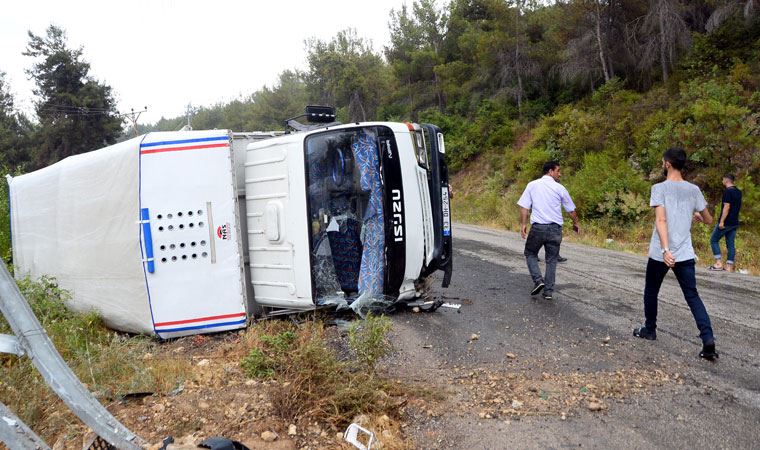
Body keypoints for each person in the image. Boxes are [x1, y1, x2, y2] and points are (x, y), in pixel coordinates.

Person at [633, 147, 718, 361]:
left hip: (661, 252)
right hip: (684, 253)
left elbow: (661, 220)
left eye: (663, 162)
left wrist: (664, 250)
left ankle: (649, 330)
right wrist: (697, 214)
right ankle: (708, 340)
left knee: (651, 291)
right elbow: (709, 220)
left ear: (668, 164)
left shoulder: (659, 188)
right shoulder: (694, 190)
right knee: (692, 296)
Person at [517, 161, 579, 300]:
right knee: (551, 260)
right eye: (558, 171)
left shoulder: (532, 185)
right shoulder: (560, 188)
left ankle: (538, 281)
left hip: (538, 228)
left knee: (530, 253)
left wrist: (523, 224)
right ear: (550, 171)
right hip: (555, 229)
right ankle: (548, 292)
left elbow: (524, 207)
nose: (560, 173)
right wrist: (576, 224)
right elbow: (571, 210)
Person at [708, 174, 742, 273]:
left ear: (727, 180)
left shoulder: (728, 191)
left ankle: (718, 263)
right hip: (734, 222)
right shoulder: (738, 192)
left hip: (726, 222)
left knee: (713, 240)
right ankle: (728, 266)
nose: (722, 181)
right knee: (730, 244)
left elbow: (727, 207)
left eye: (723, 179)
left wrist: (722, 221)